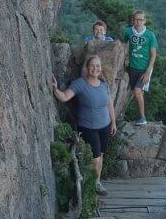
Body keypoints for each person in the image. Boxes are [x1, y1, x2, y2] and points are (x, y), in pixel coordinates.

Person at [50, 55, 117, 196]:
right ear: (87, 68)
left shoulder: (104, 84)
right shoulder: (80, 84)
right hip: (88, 127)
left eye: (98, 66)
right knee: (96, 158)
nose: (95, 68)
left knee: (101, 155)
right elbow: (65, 97)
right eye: (92, 65)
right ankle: (92, 184)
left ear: (101, 68)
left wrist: (113, 122)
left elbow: (109, 103)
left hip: (105, 125)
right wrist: (56, 90)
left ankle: (97, 182)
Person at [122, 10, 157, 125]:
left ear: (144, 21)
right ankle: (139, 116)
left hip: (144, 69)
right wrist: (124, 60)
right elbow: (122, 46)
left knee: (137, 91)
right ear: (133, 20)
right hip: (132, 67)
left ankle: (142, 118)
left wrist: (147, 73)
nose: (138, 22)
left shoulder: (150, 35)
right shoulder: (128, 32)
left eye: (140, 20)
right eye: (136, 19)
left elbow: (153, 55)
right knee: (137, 93)